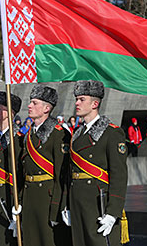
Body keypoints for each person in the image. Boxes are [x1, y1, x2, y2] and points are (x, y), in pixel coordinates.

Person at [68, 80, 128, 246]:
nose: (77, 103)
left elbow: (119, 175)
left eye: (81, 99)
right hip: (78, 203)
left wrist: (112, 212)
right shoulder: (77, 134)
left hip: (98, 204)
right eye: (76, 99)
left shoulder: (111, 133)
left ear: (95, 103)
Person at [17, 85, 71, 246]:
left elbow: (62, 175)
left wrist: (58, 207)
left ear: (47, 108)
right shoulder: (28, 135)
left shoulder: (59, 133)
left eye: (34, 103)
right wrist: (19, 201)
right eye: (30, 102)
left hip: (47, 200)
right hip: (29, 199)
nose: (29, 106)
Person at [0, 91, 23, 246]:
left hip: (9, 199)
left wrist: (19, 204)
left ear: (9, 113)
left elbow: (20, 174)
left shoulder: (17, 140)